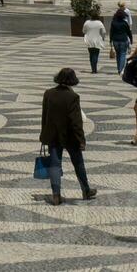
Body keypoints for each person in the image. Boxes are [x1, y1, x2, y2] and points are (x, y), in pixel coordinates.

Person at [39, 67, 97, 205]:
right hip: (70, 136)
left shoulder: (48, 94)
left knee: (54, 165)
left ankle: (56, 195)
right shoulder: (73, 97)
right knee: (78, 163)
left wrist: (44, 134)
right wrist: (81, 140)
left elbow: (45, 116)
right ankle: (86, 190)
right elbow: (76, 122)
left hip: (53, 134)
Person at [110, 2, 134, 75]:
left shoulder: (113, 23)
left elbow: (111, 32)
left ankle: (118, 68)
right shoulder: (124, 23)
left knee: (118, 54)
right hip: (123, 40)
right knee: (123, 54)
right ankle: (121, 70)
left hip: (115, 41)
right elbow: (128, 32)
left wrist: (110, 41)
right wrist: (131, 39)